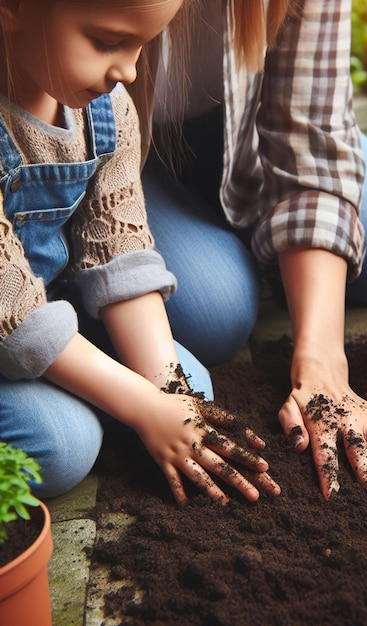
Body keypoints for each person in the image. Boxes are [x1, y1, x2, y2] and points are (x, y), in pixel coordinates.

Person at [141, 0, 367, 499]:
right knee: (218, 314)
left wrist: (321, 361)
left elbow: (312, 145)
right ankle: (239, 246)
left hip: (253, 124)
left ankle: (259, 238)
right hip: (133, 153)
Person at [0, 0, 281, 506]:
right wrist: (142, 409)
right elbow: (14, 314)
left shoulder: (107, 110)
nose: (128, 71)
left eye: (142, 45)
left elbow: (120, 254)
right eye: (107, 42)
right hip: (12, 326)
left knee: (189, 385)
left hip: (43, 323)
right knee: (61, 447)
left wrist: (165, 395)